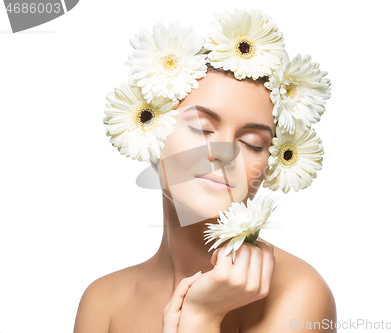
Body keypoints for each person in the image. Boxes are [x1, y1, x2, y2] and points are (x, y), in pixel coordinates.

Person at [74, 9, 336, 333]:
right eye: (201, 128)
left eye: (252, 143)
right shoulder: (103, 301)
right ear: (151, 129)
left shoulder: (298, 295)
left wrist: (201, 318)